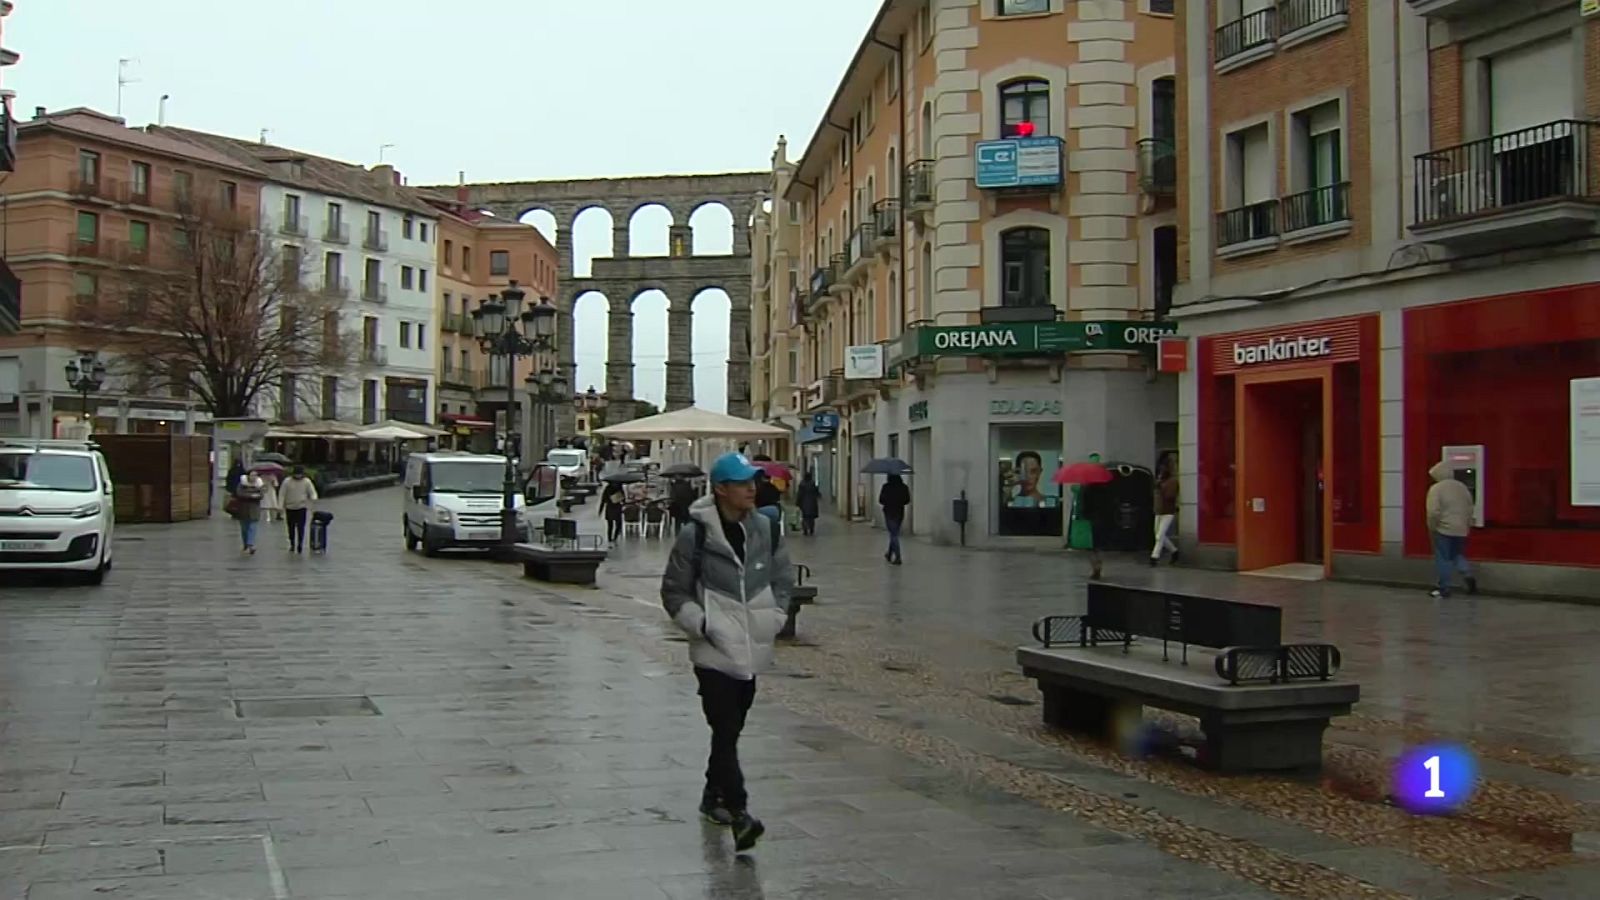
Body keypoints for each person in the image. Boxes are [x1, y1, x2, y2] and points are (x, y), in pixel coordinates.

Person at [660, 452, 793, 853]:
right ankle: (739, 813)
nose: (752, 488)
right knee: (725, 728)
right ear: (720, 489)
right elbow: (673, 590)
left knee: (730, 731)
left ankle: (709, 795)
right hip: (714, 649)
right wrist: (701, 624)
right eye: (742, 482)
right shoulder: (695, 535)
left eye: (753, 480)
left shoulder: (766, 529)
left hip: (753, 646)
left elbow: (782, 575)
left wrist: (776, 615)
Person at [1426, 459, 1477, 598]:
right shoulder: (1462, 487)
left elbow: (1433, 512)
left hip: (1443, 529)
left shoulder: (1436, 488)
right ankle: (1468, 576)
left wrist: (1432, 527)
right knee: (1457, 555)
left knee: (1443, 558)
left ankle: (1443, 588)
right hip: (1461, 529)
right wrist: (1466, 524)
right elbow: (1470, 507)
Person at [279, 466, 319, 554]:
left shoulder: (306, 482)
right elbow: (282, 494)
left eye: (300, 474)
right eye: (296, 474)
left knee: (301, 527)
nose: (298, 476)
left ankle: (300, 543)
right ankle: (292, 543)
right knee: (291, 527)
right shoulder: (287, 482)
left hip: (301, 507)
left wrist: (313, 498)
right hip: (290, 507)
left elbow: (312, 492)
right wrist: (280, 506)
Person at [1150, 454, 1180, 566]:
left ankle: (1154, 557)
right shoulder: (1160, 481)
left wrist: (1160, 488)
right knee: (1159, 535)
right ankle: (1174, 551)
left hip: (1168, 512)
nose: (1161, 472)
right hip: (1158, 510)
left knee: (1159, 535)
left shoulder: (1172, 481)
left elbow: (1170, 496)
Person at [878, 472, 911, 565]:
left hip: (889, 512)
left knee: (893, 534)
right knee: (894, 533)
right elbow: (907, 500)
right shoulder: (904, 487)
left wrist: (888, 501)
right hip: (899, 512)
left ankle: (898, 557)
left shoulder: (886, 487)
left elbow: (880, 500)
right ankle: (889, 554)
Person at [231, 470, 264, 554]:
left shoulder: (259, 484)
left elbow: (261, 495)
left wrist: (255, 496)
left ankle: (250, 545)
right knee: (244, 529)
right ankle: (246, 545)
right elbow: (239, 493)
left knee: (252, 527)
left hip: (254, 509)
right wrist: (251, 495)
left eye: (255, 475)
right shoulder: (242, 484)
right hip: (243, 509)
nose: (254, 477)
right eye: (252, 475)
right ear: (248, 476)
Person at [600, 480, 627, 544]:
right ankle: (615, 537)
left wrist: (600, 510)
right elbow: (623, 499)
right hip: (617, 507)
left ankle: (610, 538)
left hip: (609, 507)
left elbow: (603, 500)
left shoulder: (608, 488)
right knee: (618, 524)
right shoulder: (619, 488)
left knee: (610, 525)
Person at [796, 471, 821, 536]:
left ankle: (805, 530)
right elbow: (817, 493)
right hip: (812, 502)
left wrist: (797, 502)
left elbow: (799, 494)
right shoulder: (812, 483)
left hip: (804, 503)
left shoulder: (802, 484)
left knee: (804, 517)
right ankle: (811, 529)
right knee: (811, 517)